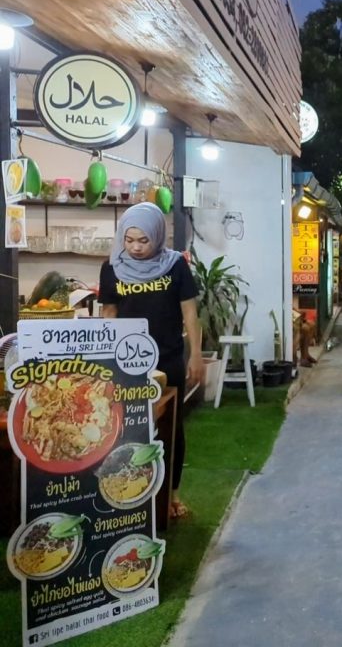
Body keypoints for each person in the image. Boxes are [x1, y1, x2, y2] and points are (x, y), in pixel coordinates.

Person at [99, 203, 202, 521]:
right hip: (124, 364)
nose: (135, 247)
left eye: (143, 240)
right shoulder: (112, 268)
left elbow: (189, 313)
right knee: (122, 429)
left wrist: (196, 355)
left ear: (157, 236)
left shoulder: (175, 266)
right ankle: (125, 495)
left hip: (167, 359)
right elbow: (109, 314)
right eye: (129, 240)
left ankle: (171, 494)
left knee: (170, 430)